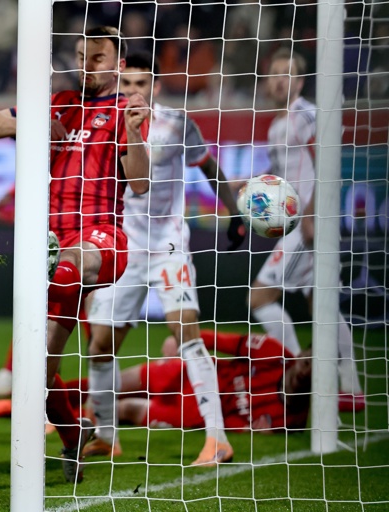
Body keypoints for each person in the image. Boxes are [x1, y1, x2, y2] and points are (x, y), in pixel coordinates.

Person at [0, 26, 150, 484]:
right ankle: (75, 434)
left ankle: (45, 412)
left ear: (119, 64)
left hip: (102, 240)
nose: (86, 63)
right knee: (40, 370)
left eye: (96, 56)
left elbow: (141, 183)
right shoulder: (57, 102)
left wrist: (134, 136)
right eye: (79, 55)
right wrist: (26, 123)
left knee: (70, 264)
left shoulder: (124, 110)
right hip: (50, 250)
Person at [83, 52, 244, 466]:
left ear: (155, 87)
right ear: (117, 86)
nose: (133, 91)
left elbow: (209, 167)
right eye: (126, 84)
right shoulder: (105, 123)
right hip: (122, 248)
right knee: (101, 344)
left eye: (141, 84)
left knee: (185, 331)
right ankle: (106, 436)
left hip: (168, 244)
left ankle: (217, 439)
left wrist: (235, 212)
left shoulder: (177, 123)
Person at [248, 48, 364, 410]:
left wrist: (312, 216)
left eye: (288, 74)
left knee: (259, 298)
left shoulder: (306, 114)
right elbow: (282, 181)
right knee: (323, 307)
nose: (280, 79)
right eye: (275, 73)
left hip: (311, 223)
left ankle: (301, 369)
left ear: (299, 81)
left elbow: (326, 166)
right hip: (297, 223)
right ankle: (350, 388)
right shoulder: (275, 123)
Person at [0, 330, 312, 436]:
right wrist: (181, 342)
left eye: (315, 368)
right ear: (300, 354)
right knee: (105, 384)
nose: (306, 369)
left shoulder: (292, 418)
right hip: (184, 374)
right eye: (307, 359)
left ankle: (53, 419)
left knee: (126, 408)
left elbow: (244, 426)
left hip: (190, 414)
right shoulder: (272, 352)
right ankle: (22, 401)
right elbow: (211, 338)